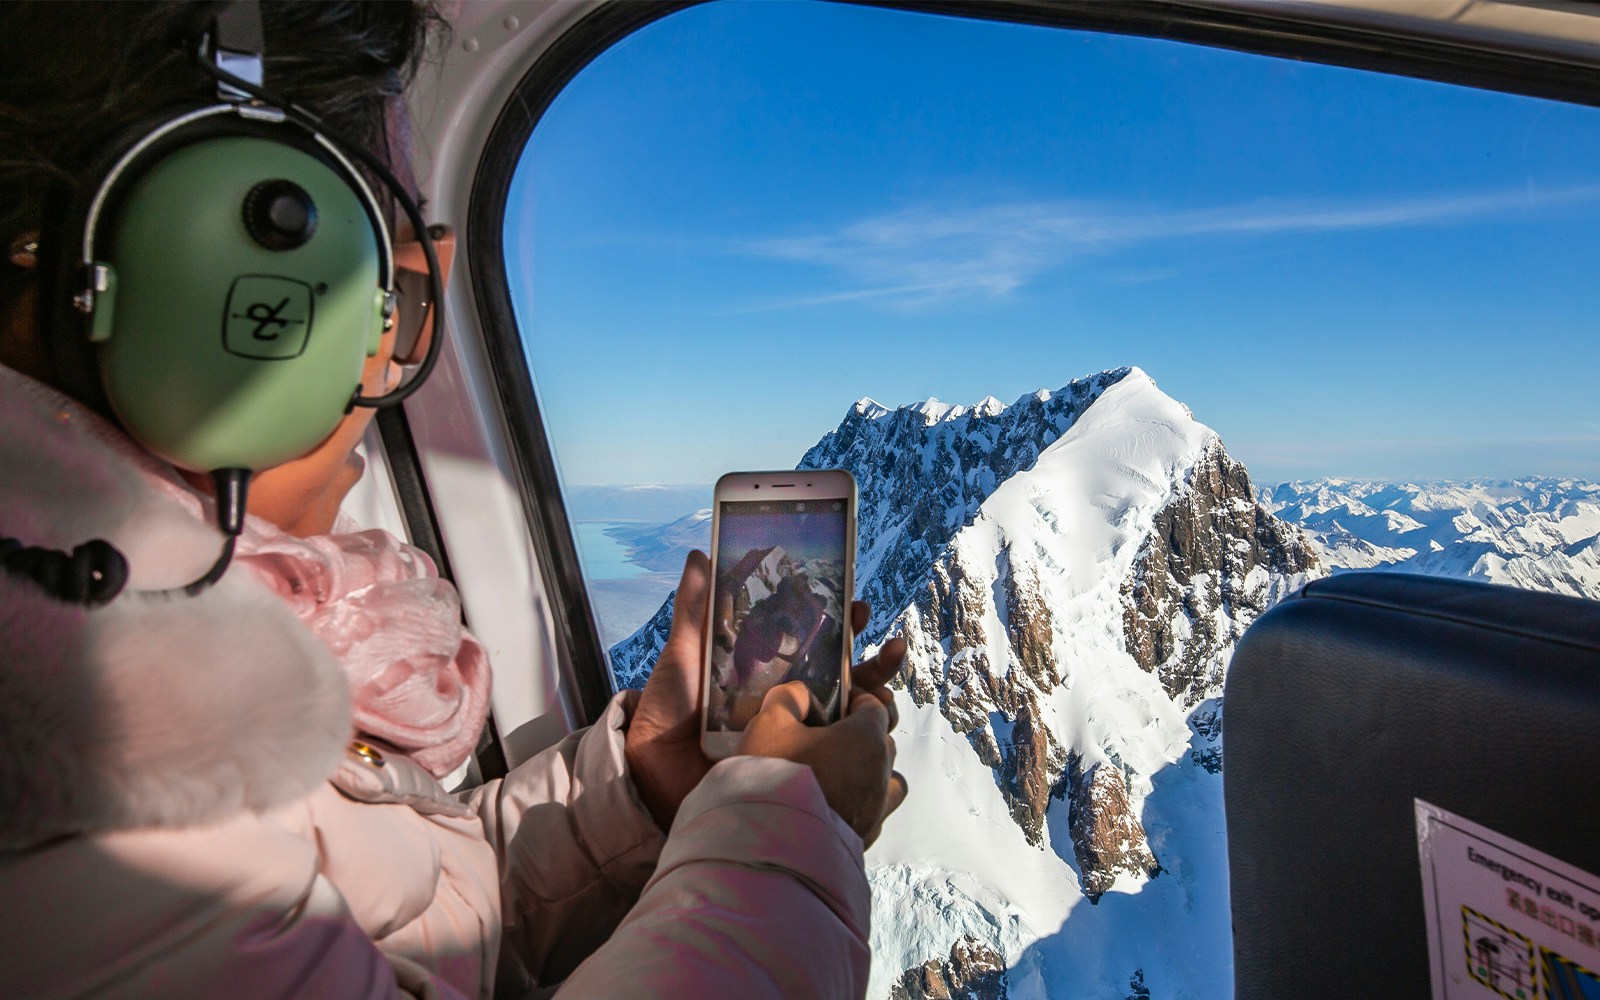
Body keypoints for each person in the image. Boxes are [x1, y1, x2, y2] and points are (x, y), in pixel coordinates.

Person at [0, 3, 907, 998]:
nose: (399, 360)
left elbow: (407, 924)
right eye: (387, 286)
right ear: (233, 287)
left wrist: (647, 793)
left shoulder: (135, 678)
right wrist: (779, 829)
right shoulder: (94, 761)